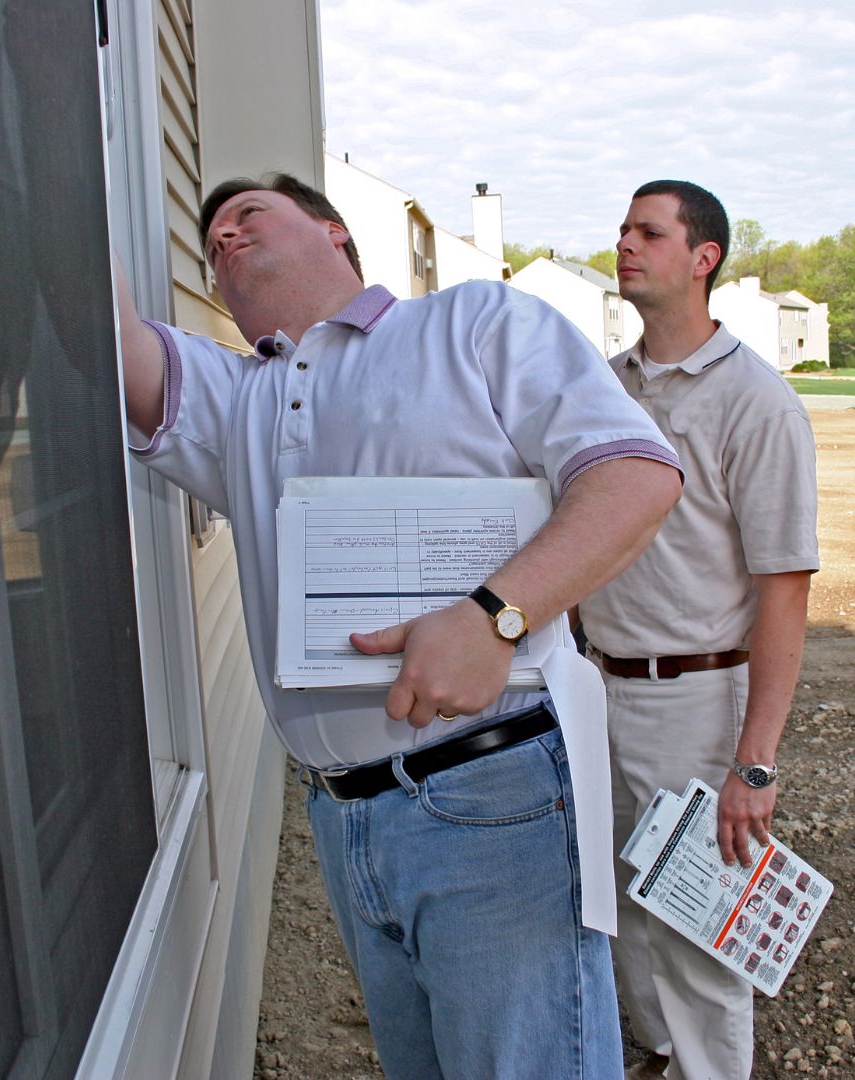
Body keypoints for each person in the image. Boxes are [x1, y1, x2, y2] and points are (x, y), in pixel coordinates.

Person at [116, 172, 684, 1079]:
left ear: (336, 232)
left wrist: (493, 618)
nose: (223, 237)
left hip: (495, 794)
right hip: (344, 819)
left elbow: (634, 476)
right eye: (211, 234)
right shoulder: (240, 398)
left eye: (248, 214)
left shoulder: (474, 325)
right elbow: (114, 338)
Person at [579, 181, 819, 1080]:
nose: (625, 245)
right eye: (622, 229)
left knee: (699, 924)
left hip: (695, 697)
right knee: (627, 903)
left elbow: (784, 589)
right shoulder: (607, 388)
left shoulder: (756, 403)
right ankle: (665, 1054)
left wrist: (753, 763)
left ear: (703, 258)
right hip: (597, 683)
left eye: (649, 232)